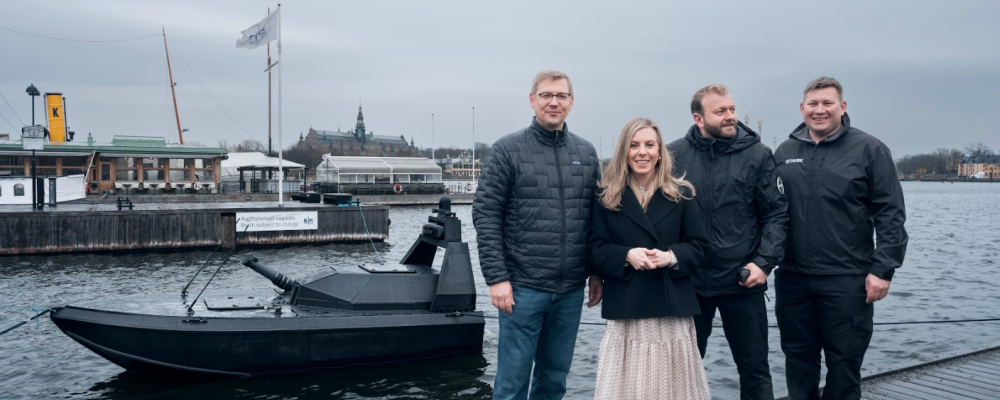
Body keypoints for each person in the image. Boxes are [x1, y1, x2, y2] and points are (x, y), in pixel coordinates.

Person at [774, 77, 908, 400]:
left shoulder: (869, 149)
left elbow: (891, 214)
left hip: (847, 281)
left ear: (842, 107)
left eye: (827, 103)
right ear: (802, 108)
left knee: (844, 368)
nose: (820, 110)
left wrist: (883, 269)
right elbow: (769, 212)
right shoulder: (785, 151)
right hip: (793, 280)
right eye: (813, 104)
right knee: (799, 365)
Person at [473, 70, 603, 400]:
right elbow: (486, 216)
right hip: (521, 288)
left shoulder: (587, 154)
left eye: (561, 96)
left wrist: (597, 273)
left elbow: (597, 219)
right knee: (511, 384)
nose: (554, 102)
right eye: (546, 95)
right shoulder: (507, 150)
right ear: (532, 101)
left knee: (554, 381)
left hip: (571, 289)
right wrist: (496, 278)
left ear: (571, 103)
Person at [668, 84, 787, 400]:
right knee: (681, 376)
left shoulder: (759, 155)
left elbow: (777, 215)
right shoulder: (672, 155)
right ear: (699, 118)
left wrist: (764, 264)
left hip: (743, 281)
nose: (730, 116)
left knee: (755, 372)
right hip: (688, 284)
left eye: (732, 109)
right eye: (720, 111)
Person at [589, 117, 711, 400]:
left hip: (672, 308)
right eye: (634, 145)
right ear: (624, 152)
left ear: (659, 152)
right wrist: (626, 255)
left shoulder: (681, 194)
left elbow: (701, 247)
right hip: (626, 308)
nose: (641, 152)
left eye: (649, 145)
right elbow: (594, 248)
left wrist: (671, 257)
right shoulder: (606, 196)